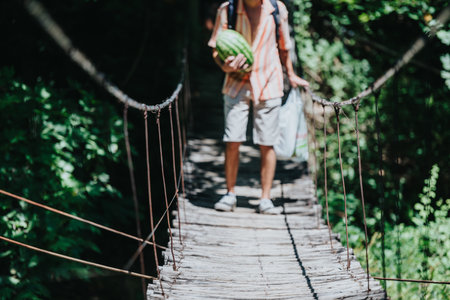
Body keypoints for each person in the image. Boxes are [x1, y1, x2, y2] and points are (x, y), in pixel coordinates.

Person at [208, 0, 309, 214]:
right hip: (236, 82)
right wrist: (224, 65)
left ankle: (265, 199)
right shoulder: (228, 9)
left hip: (269, 81)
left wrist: (291, 75)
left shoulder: (277, 9)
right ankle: (230, 194)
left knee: (267, 142)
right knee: (232, 139)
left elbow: (284, 47)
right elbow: (217, 48)